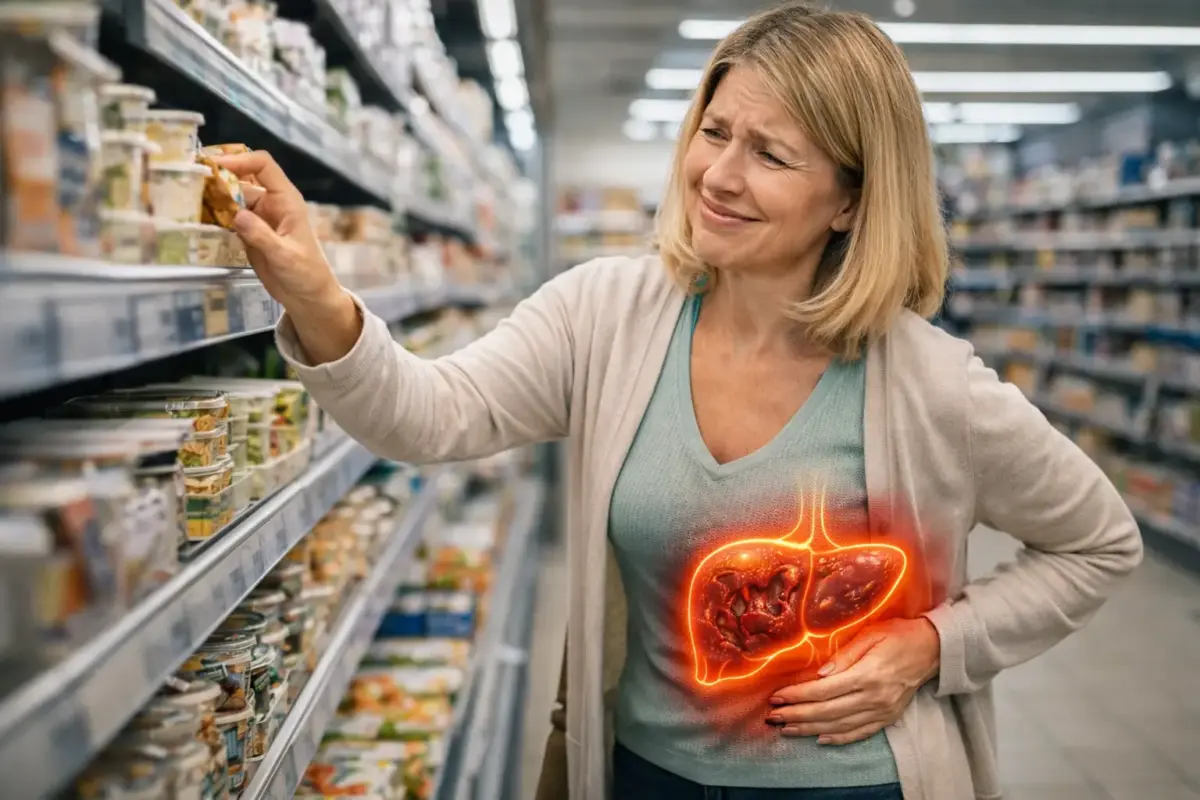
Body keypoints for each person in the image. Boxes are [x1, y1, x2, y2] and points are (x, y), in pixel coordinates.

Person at [215, 3, 1143, 798]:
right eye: (715, 131)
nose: (720, 176)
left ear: (853, 203)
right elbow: (429, 414)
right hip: (643, 773)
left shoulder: (931, 383)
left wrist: (935, 643)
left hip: (856, 785)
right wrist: (314, 292)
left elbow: (1099, 541)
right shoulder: (606, 315)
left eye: (772, 155)